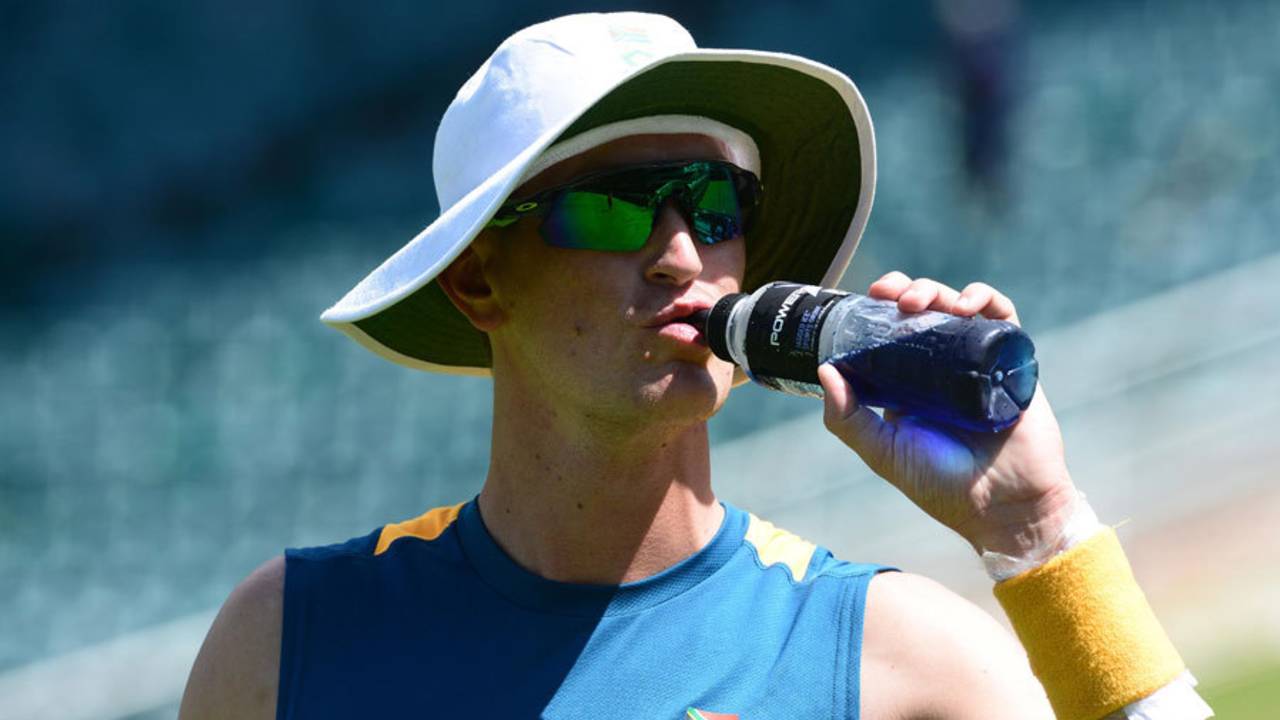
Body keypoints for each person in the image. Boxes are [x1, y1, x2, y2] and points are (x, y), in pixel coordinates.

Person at [179, 12, 1211, 720]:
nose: (680, 251)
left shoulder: (894, 664)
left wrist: (1036, 531)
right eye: (617, 204)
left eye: (714, 206)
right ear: (478, 286)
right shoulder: (288, 643)